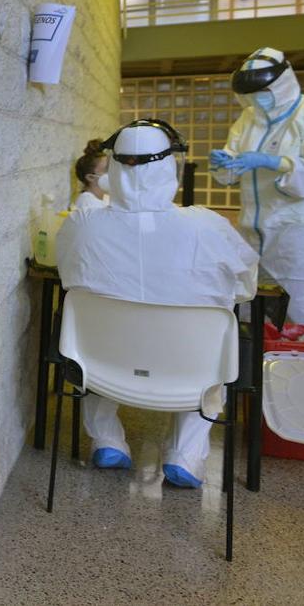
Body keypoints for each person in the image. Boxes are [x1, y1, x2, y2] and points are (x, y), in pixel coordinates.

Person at [56, 120, 258, 488]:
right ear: (169, 167)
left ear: (113, 168)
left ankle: (108, 440)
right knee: (213, 345)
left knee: (95, 334)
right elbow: (246, 287)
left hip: (106, 367)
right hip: (186, 368)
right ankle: (185, 455)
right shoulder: (207, 228)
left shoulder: (82, 225)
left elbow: (68, 276)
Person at [210, 47, 304, 329]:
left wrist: (274, 162)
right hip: (253, 229)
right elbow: (231, 170)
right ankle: (261, 362)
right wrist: (223, 164)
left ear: (281, 83)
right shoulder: (249, 119)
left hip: (299, 231)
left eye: (263, 90)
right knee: (253, 299)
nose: (256, 99)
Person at [71, 138, 111, 211]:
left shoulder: (106, 198)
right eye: (107, 169)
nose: (112, 173)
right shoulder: (87, 204)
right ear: (90, 177)